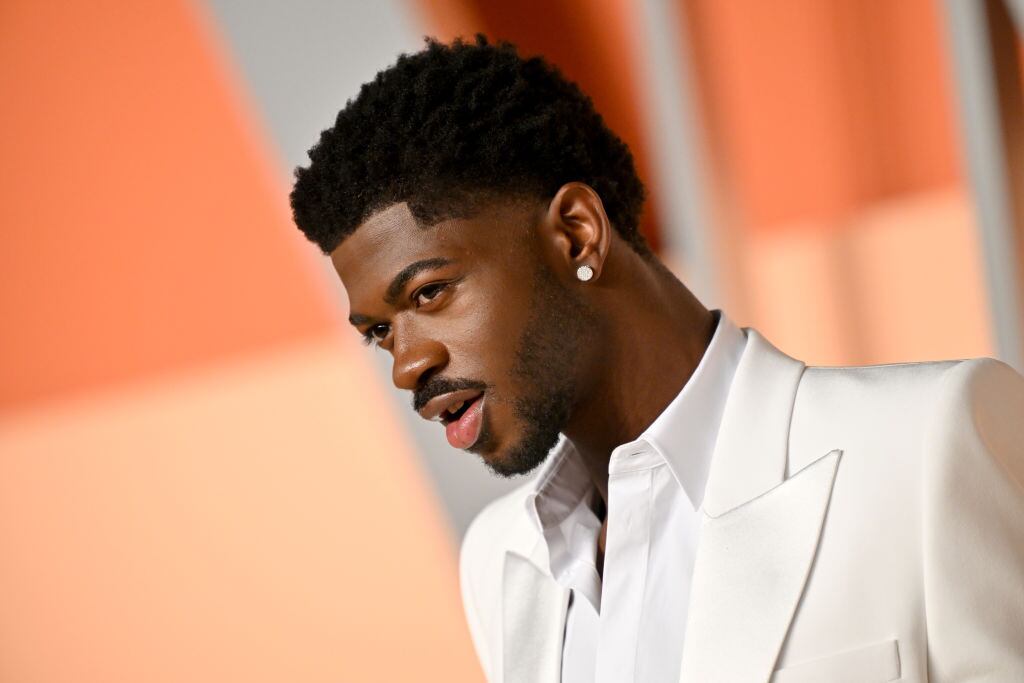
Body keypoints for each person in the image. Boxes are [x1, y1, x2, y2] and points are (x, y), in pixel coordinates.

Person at [289, 35, 1024, 683]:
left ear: (576, 234)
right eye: (379, 332)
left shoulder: (926, 441)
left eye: (428, 292)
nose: (406, 366)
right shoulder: (501, 559)